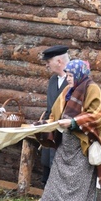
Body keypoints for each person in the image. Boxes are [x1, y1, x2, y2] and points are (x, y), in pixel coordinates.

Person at [36, 59, 101, 201]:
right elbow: (56, 114)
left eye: (70, 75)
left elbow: (97, 115)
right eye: (67, 75)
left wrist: (74, 122)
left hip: (82, 145)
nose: (68, 79)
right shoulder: (68, 90)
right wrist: (42, 124)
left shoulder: (92, 89)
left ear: (78, 74)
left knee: (78, 186)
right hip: (65, 145)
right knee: (55, 183)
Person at [39, 45, 70, 186]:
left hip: (66, 135)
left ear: (58, 61)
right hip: (51, 133)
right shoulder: (52, 80)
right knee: (48, 169)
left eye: (48, 61)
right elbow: (49, 108)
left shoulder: (75, 81)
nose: (47, 65)